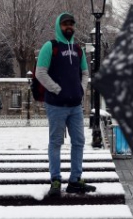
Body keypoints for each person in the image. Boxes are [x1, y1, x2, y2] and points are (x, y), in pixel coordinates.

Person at [35, 12, 97, 196]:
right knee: (55, 143)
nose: (69, 27)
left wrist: (80, 89)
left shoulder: (78, 49)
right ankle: (55, 180)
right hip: (55, 105)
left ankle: (75, 180)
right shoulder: (50, 46)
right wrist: (57, 89)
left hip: (75, 106)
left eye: (71, 24)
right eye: (65, 24)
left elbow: (85, 73)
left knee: (79, 142)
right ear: (58, 26)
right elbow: (40, 72)